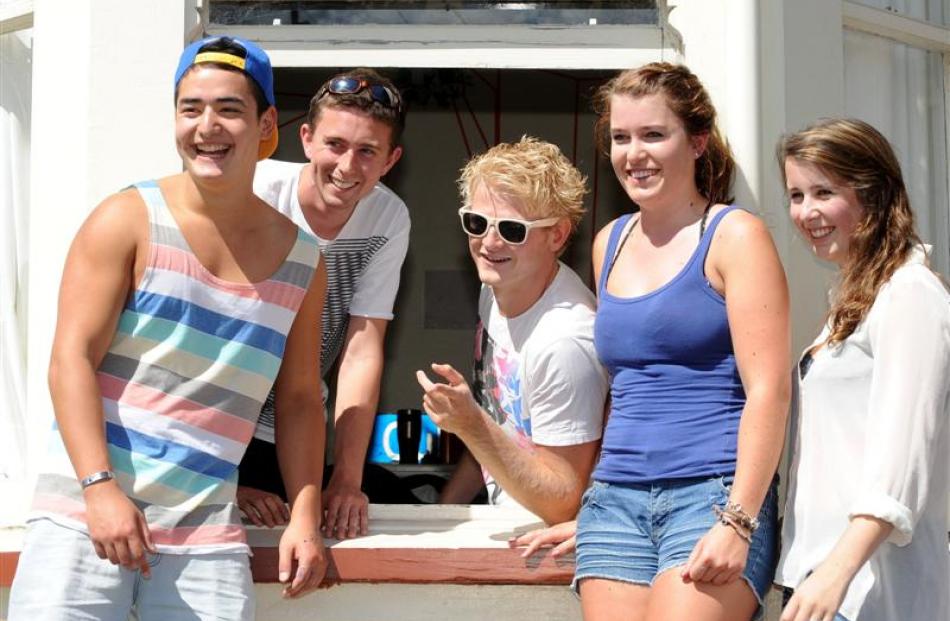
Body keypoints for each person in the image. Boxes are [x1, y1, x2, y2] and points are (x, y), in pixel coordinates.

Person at [8, 36, 328, 620]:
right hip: (84, 520)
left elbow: (301, 399)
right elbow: (69, 360)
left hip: (205, 540)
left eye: (229, 109)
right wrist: (100, 488)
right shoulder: (127, 218)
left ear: (266, 124)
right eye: (191, 108)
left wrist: (305, 517)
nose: (207, 126)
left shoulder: (303, 259)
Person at [540, 62, 790, 621]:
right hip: (614, 502)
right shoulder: (610, 241)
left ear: (697, 141)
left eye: (654, 134)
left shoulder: (735, 236)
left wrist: (738, 520)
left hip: (711, 497)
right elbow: (622, 388)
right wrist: (590, 504)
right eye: (621, 138)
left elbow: (770, 391)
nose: (634, 153)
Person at [775, 118, 949, 621]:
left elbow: (904, 459)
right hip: (820, 580)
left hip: (870, 592)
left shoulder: (910, 293)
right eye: (796, 195)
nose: (806, 212)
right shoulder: (853, 300)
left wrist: (837, 571)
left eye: (823, 192)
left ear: (872, 196)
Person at [237, 68, 409, 539]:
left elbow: (362, 348)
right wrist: (222, 482)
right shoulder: (252, 191)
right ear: (307, 139)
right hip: (220, 432)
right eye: (335, 145)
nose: (348, 167)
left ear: (390, 159)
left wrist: (347, 479)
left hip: (296, 431)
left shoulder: (390, 217)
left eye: (367, 151)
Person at [416, 137, 608, 525]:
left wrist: (469, 424)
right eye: (476, 222)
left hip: (543, 543)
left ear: (556, 235)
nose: (489, 242)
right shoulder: (496, 289)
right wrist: (442, 515)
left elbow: (563, 501)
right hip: (505, 522)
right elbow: (500, 422)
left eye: (511, 229)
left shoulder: (565, 342)